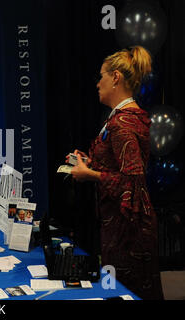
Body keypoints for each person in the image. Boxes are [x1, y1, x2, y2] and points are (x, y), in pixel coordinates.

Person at [68, 46, 163, 300]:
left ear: (116, 77)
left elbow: (132, 181)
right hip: (122, 227)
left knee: (125, 294)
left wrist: (89, 175)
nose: (98, 83)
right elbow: (118, 166)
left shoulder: (122, 123)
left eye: (102, 76)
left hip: (128, 234)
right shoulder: (122, 117)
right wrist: (87, 162)